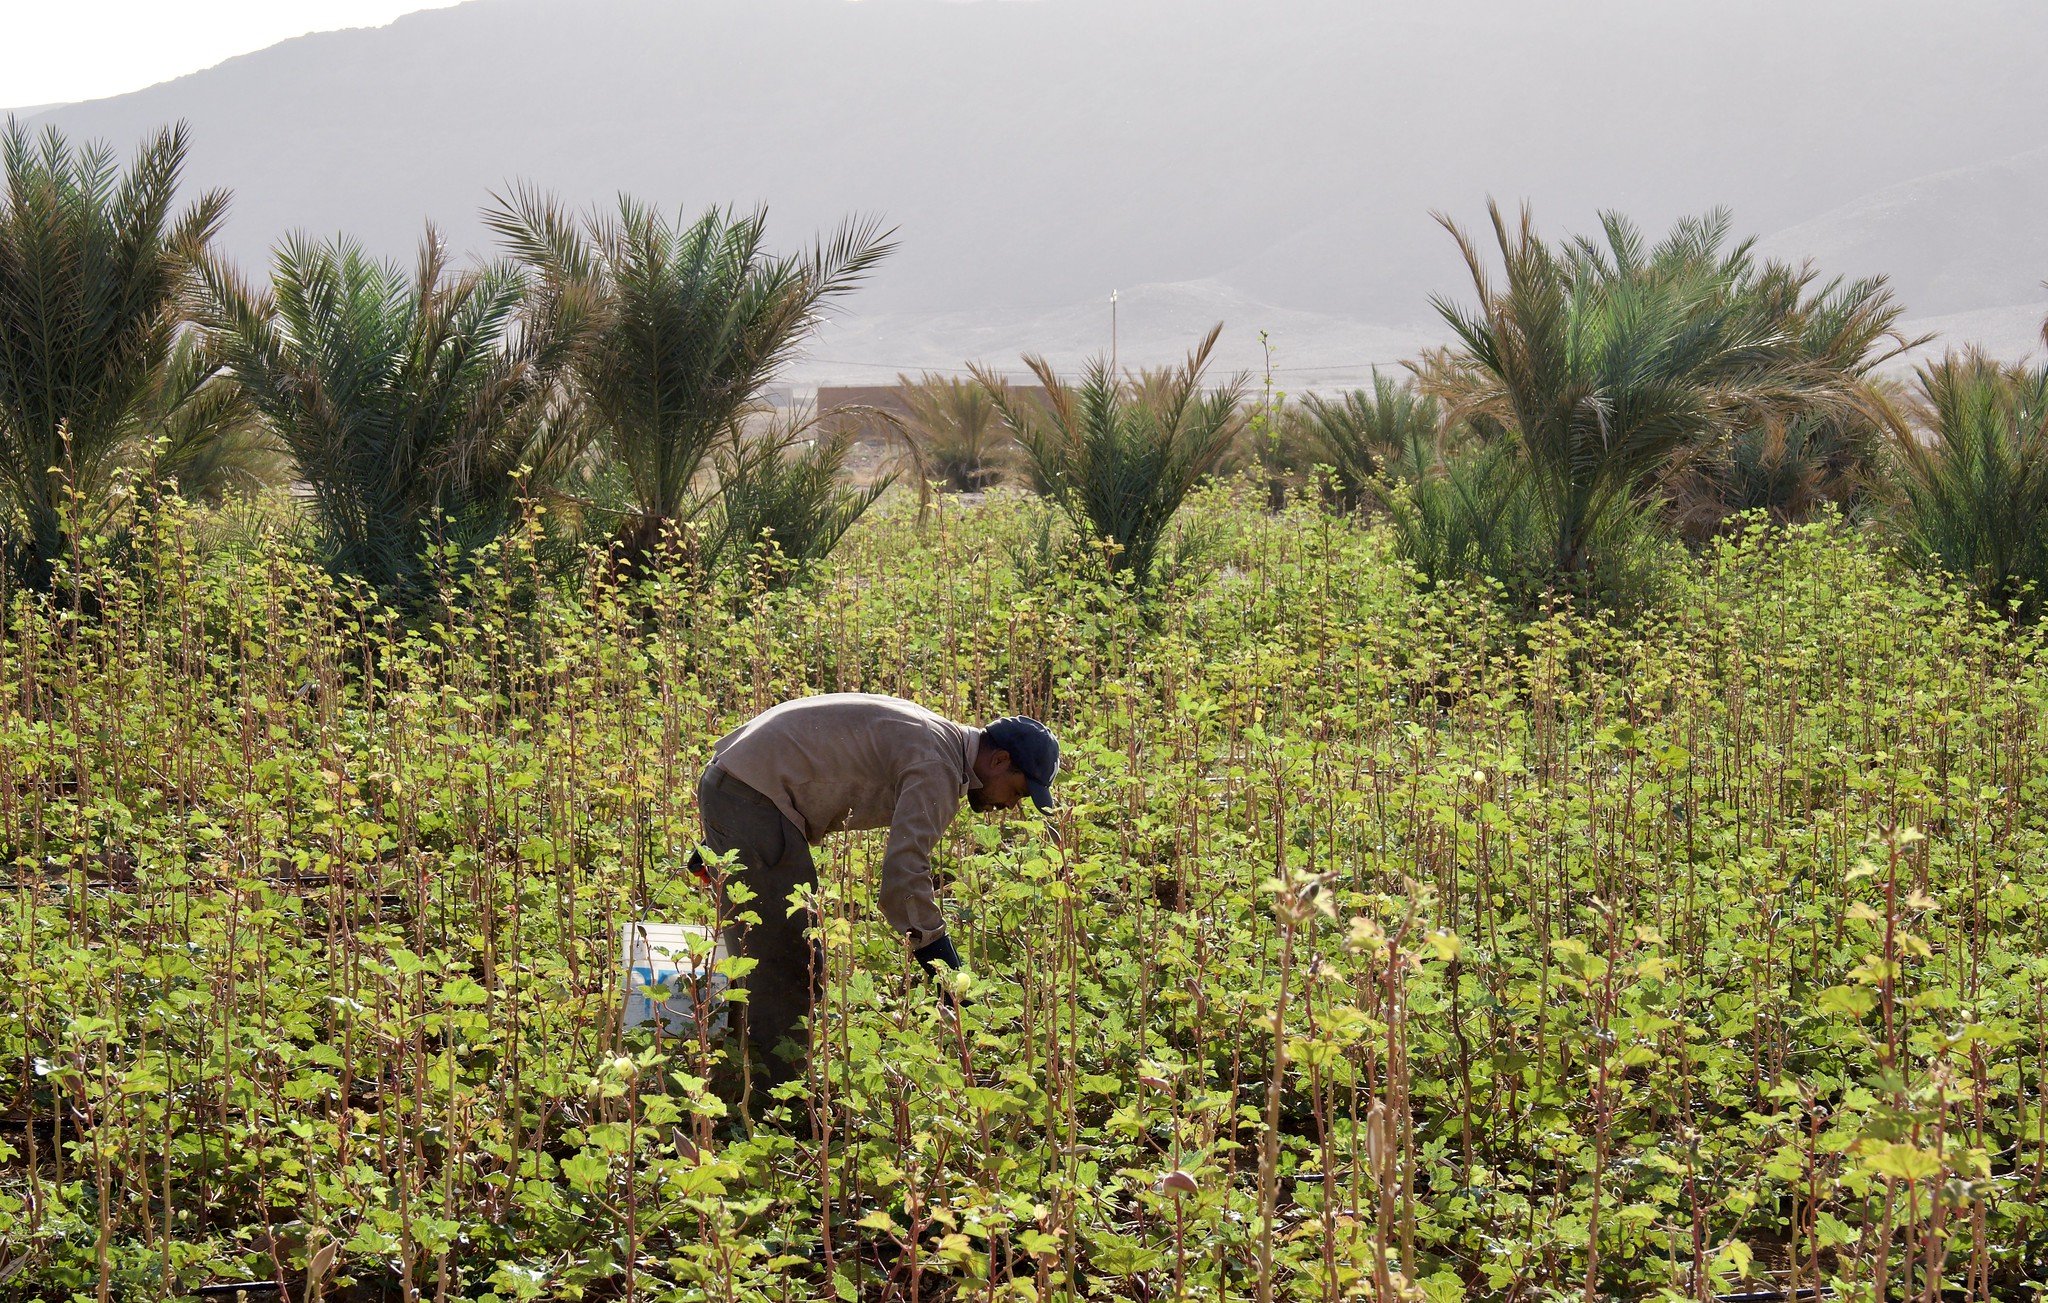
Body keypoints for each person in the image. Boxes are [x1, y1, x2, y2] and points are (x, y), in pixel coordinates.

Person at [693, 693, 1060, 1084]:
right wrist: (945, 968)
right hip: (751, 795)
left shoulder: (936, 735)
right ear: (999, 760)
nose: (1011, 805)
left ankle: (740, 1075)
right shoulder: (938, 765)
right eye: (1018, 792)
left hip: (740, 784)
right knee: (789, 960)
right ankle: (772, 1101)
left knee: (766, 950)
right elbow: (903, 880)